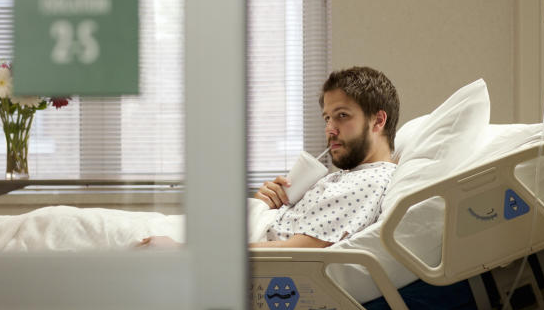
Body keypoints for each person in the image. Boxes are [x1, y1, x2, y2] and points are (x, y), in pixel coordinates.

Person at [137, 65, 399, 250]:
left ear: (378, 121)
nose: (330, 129)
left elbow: (302, 248)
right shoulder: (350, 175)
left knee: (103, 231)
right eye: (327, 118)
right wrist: (272, 202)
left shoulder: (369, 182)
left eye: (342, 115)